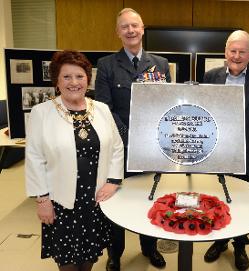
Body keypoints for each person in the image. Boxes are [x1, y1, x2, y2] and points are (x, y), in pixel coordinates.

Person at [25, 50, 124, 271]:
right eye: (66, 77)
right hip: (61, 202)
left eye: (79, 76)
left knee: (89, 256)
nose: (74, 82)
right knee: (67, 262)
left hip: (95, 200)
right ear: (57, 81)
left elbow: (116, 147)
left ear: (88, 79)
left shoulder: (101, 109)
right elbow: (34, 159)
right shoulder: (42, 113)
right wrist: (42, 201)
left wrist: (113, 181)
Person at [95, 8, 171, 271]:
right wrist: (130, 138)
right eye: (125, 27)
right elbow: (104, 108)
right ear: (118, 32)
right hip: (120, 148)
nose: (130, 30)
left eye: (135, 25)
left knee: (150, 198)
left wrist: (150, 139)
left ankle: (149, 248)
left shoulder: (160, 64)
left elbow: (167, 107)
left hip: (152, 149)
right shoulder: (106, 65)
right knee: (117, 200)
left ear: (142, 28)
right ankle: (115, 253)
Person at [202, 30, 249, 271]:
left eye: (242, 51)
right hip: (217, 153)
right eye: (232, 51)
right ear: (225, 52)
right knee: (218, 198)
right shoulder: (211, 76)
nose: (236, 56)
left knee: (244, 202)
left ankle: (240, 246)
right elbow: (203, 111)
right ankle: (220, 241)